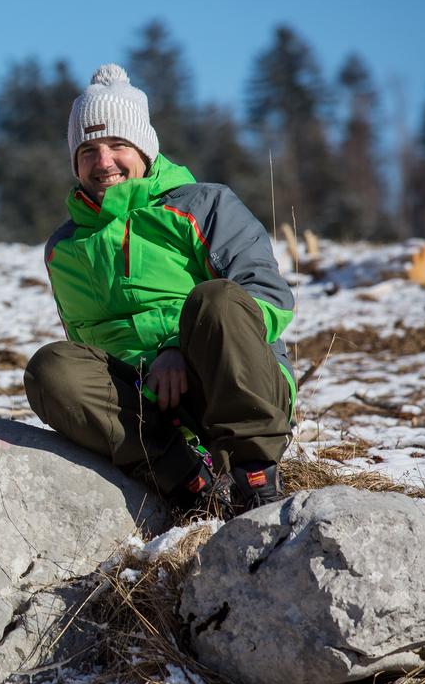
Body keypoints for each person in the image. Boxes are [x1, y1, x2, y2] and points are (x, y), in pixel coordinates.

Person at [23, 64, 296, 515]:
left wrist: (176, 350)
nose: (103, 161)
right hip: (147, 404)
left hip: (233, 382)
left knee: (219, 299)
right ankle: (187, 481)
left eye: (117, 145)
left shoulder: (204, 204)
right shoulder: (64, 249)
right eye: (88, 150)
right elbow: (90, 349)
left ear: (144, 149)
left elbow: (267, 294)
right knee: (51, 369)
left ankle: (255, 476)